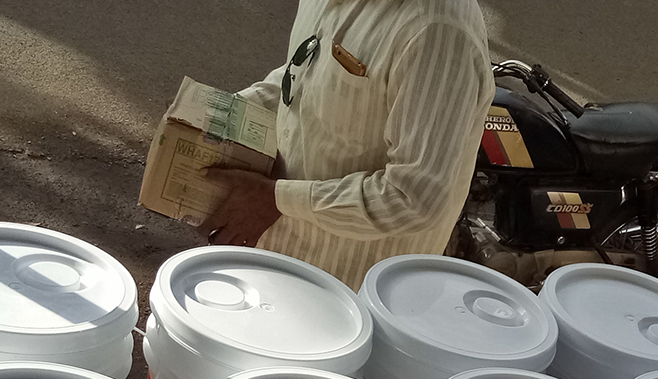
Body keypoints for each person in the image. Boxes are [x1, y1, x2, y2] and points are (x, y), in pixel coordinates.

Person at [206, 0, 494, 288]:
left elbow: (414, 197)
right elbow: (304, 74)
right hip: (271, 251)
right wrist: (219, 115)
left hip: (345, 290)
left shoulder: (439, 32)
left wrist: (275, 200)